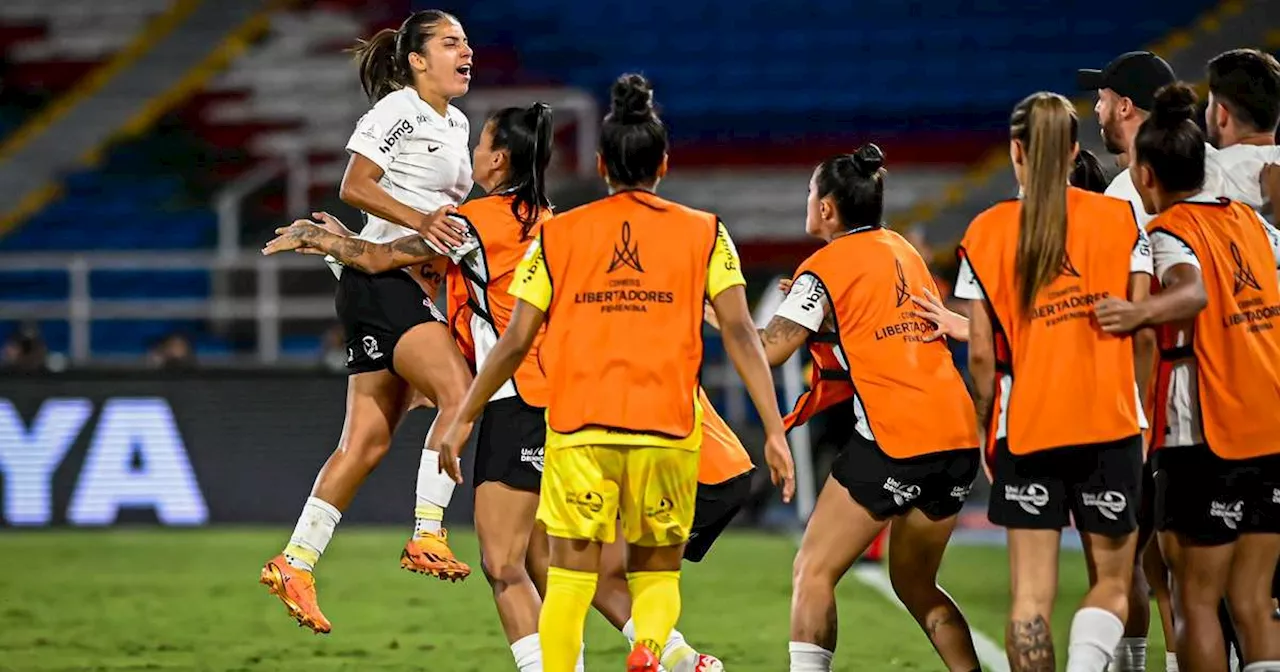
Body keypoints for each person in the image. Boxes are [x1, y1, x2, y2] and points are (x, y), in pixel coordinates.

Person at [268, 103, 743, 672]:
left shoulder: (475, 223)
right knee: (563, 566)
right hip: (574, 404)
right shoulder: (558, 222)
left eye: (480, 147)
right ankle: (679, 656)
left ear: (497, 159)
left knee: (503, 563)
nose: (471, 158)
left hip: (517, 401)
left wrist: (322, 240)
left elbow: (380, 256)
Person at [431, 73, 796, 672]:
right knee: (655, 572)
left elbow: (516, 338)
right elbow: (740, 335)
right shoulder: (708, 233)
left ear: (600, 164)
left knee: (567, 576)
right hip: (669, 431)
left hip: (581, 428)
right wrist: (774, 430)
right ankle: (653, 650)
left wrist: (461, 415)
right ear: (665, 163)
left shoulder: (560, 233)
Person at [255, 10, 479, 634]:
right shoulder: (396, 110)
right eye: (450, 43)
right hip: (383, 285)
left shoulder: (456, 122)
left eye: (467, 43)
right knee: (461, 394)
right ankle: (428, 533)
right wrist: (421, 222)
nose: (466, 52)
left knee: (366, 442)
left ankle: (295, 561)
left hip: (386, 281)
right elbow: (355, 183)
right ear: (416, 59)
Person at [737, 143, 984, 672]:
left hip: (899, 438)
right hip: (958, 437)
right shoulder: (902, 249)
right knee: (917, 586)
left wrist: (711, 315)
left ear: (827, 208)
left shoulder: (823, 266)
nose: (807, 200)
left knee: (813, 570)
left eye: (810, 191)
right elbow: (880, 328)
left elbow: (768, 350)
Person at [958, 91, 1155, 672]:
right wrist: (1138, 409)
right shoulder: (1120, 218)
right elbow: (1143, 330)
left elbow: (979, 358)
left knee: (1029, 600)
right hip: (1110, 422)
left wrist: (983, 428)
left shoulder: (985, 232)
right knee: (1114, 584)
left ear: (1015, 150)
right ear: (1075, 150)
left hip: (1029, 428)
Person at [1094, 83, 1280, 672]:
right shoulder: (1256, 227)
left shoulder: (1167, 234)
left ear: (1145, 175)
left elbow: (1190, 292)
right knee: (1254, 602)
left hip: (1205, 432)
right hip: (1270, 427)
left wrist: (1135, 312)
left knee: (1194, 602)